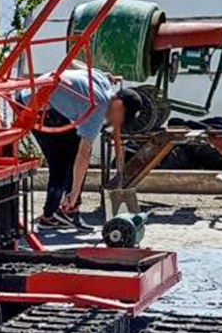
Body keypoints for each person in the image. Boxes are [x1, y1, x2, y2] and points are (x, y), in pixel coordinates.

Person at [25, 66, 142, 230]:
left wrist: (108, 75)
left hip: (42, 97)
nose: (119, 123)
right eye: (123, 118)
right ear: (119, 106)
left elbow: (74, 62)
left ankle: (65, 212)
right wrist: (74, 193)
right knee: (63, 162)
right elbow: (84, 154)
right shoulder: (98, 108)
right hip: (31, 106)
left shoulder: (102, 80)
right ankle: (52, 215)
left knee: (71, 156)